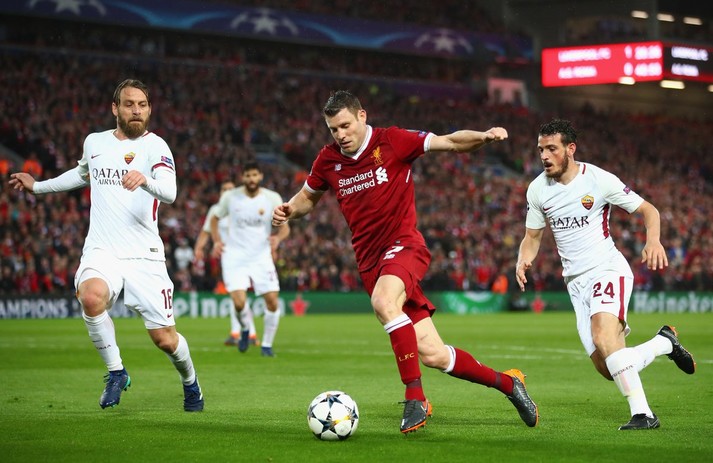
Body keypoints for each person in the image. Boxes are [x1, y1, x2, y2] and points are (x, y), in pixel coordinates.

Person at [272, 90, 539, 434]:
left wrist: (484, 137)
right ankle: (509, 384)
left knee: (384, 302)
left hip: (404, 246)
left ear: (362, 116)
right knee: (434, 355)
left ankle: (416, 397)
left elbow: (449, 142)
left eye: (345, 125)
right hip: (370, 263)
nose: (340, 135)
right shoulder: (328, 160)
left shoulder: (393, 141)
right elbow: (308, 197)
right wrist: (289, 210)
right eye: (333, 129)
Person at [9, 78, 204, 412]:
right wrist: (38, 187)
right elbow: (82, 174)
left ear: (149, 109)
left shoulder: (156, 146)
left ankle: (191, 383)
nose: (136, 111)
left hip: (144, 255)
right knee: (91, 296)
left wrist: (146, 180)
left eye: (142, 105)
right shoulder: (95, 142)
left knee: (165, 340)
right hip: (103, 249)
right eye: (129, 104)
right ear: (115, 108)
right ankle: (116, 371)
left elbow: (170, 192)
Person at [515, 118, 695, 430]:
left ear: (570, 149)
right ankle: (664, 343)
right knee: (609, 367)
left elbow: (648, 210)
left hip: (606, 269)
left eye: (551, 149)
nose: (544, 156)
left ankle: (644, 415)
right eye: (541, 149)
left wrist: (653, 240)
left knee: (604, 336)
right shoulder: (537, 190)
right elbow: (532, 237)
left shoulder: (598, 179)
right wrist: (523, 260)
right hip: (575, 283)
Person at [211, 161, 289, 357]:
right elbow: (214, 218)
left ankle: (267, 345)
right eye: (248, 175)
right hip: (234, 256)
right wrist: (217, 241)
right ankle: (245, 328)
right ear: (242, 178)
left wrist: (277, 239)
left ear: (260, 176)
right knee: (239, 303)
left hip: (261, 257)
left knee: (272, 302)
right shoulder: (231, 197)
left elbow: (285, 227)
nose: (251, 179)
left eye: (254, 175)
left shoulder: (272, 198)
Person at [193, 180, 260, 347]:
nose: (228, 192)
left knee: (238, 296)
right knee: (237, 296)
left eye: (231, 189)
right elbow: (206, 231)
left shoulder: (244, 207)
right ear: (220, 192)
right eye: (225, 189)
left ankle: (243, 333)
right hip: (229, 258)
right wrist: (199, 248)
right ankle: (244, 333)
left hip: (248, 256)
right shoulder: (216, 210)